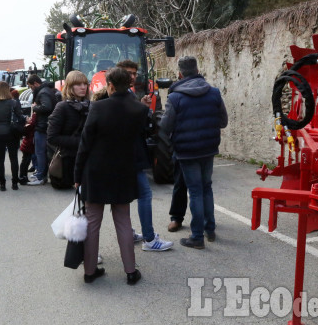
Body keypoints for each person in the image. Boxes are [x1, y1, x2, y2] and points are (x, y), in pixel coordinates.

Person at [74, 67, 147, 285]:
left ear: (111, 85)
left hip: (95, 172)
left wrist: (77, 174)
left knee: (92, 222)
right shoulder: (140, 109)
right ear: (129, 84)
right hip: (124, 171)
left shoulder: (97, 107)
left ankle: (89, 272)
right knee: (124, 221)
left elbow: (84, 144)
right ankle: (131, 272)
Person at [160, 56, 228, 249]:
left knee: (196, 192)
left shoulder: (175, 97)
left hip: (186, 151)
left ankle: (197, 237)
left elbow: (165, 127)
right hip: (208, 149)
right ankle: (210, 229)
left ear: (180, 74)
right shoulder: (213, 93)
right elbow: (223, 121)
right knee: (207, 188)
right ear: (198, 70)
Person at [116, 60, 173, 251]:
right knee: (143, 195)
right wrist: (142, 111)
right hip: (130, 155)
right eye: (128, 73)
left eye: (134, 73)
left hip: (127, 155)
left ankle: (130, 233)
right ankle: (149, 239)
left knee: (124, 198)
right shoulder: (122, 96)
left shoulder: (129, 94)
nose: (132, 76)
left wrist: (142, 107)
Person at [47, 71, 90, 189]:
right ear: (70, 87)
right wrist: (80, 141)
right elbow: (52, 137)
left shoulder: (91, 106)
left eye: (85, 84)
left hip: (87, 159)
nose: (83, 87)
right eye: (78, 84)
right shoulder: (62, 107)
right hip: (68, 160)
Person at [0, 81, 23, 191]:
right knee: (13, 158)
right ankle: (15, 183)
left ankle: (2, 184)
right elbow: (20, 116)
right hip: (12, 132)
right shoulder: (13, 102)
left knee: (0, 159)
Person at [27, 74, 56, 185]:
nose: (31, 89)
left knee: (40, 152)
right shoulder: (47, 90)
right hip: (46, 125)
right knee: (42, 152)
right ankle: (41, 174)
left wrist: (35, 107)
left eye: (31, 86)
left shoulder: (43, 92)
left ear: (35, 83)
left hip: (42, 126)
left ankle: (41, 176)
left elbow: (46, 107)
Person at [18, 112, 37, 185]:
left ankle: (23, 176)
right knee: (25, 162)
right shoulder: (28, 126)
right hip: (27, 147)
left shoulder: (27, 126)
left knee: (25, 162)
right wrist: (34, 114)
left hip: (26, 147)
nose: (30, 118)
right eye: (28, 118)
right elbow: (33, 123)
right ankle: (22, 176)